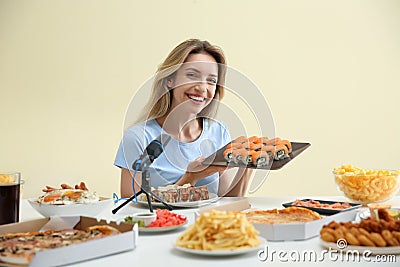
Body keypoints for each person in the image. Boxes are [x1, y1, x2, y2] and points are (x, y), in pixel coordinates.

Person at [114, 39, 251, 198]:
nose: (202, 88)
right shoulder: (138, 138)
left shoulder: (218, 132)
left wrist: (248, 168)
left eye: (211, 80)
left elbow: (227, 203)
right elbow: (131, 207)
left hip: (207, 223)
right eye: (192, 75)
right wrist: (190, 178)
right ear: (169, 80)